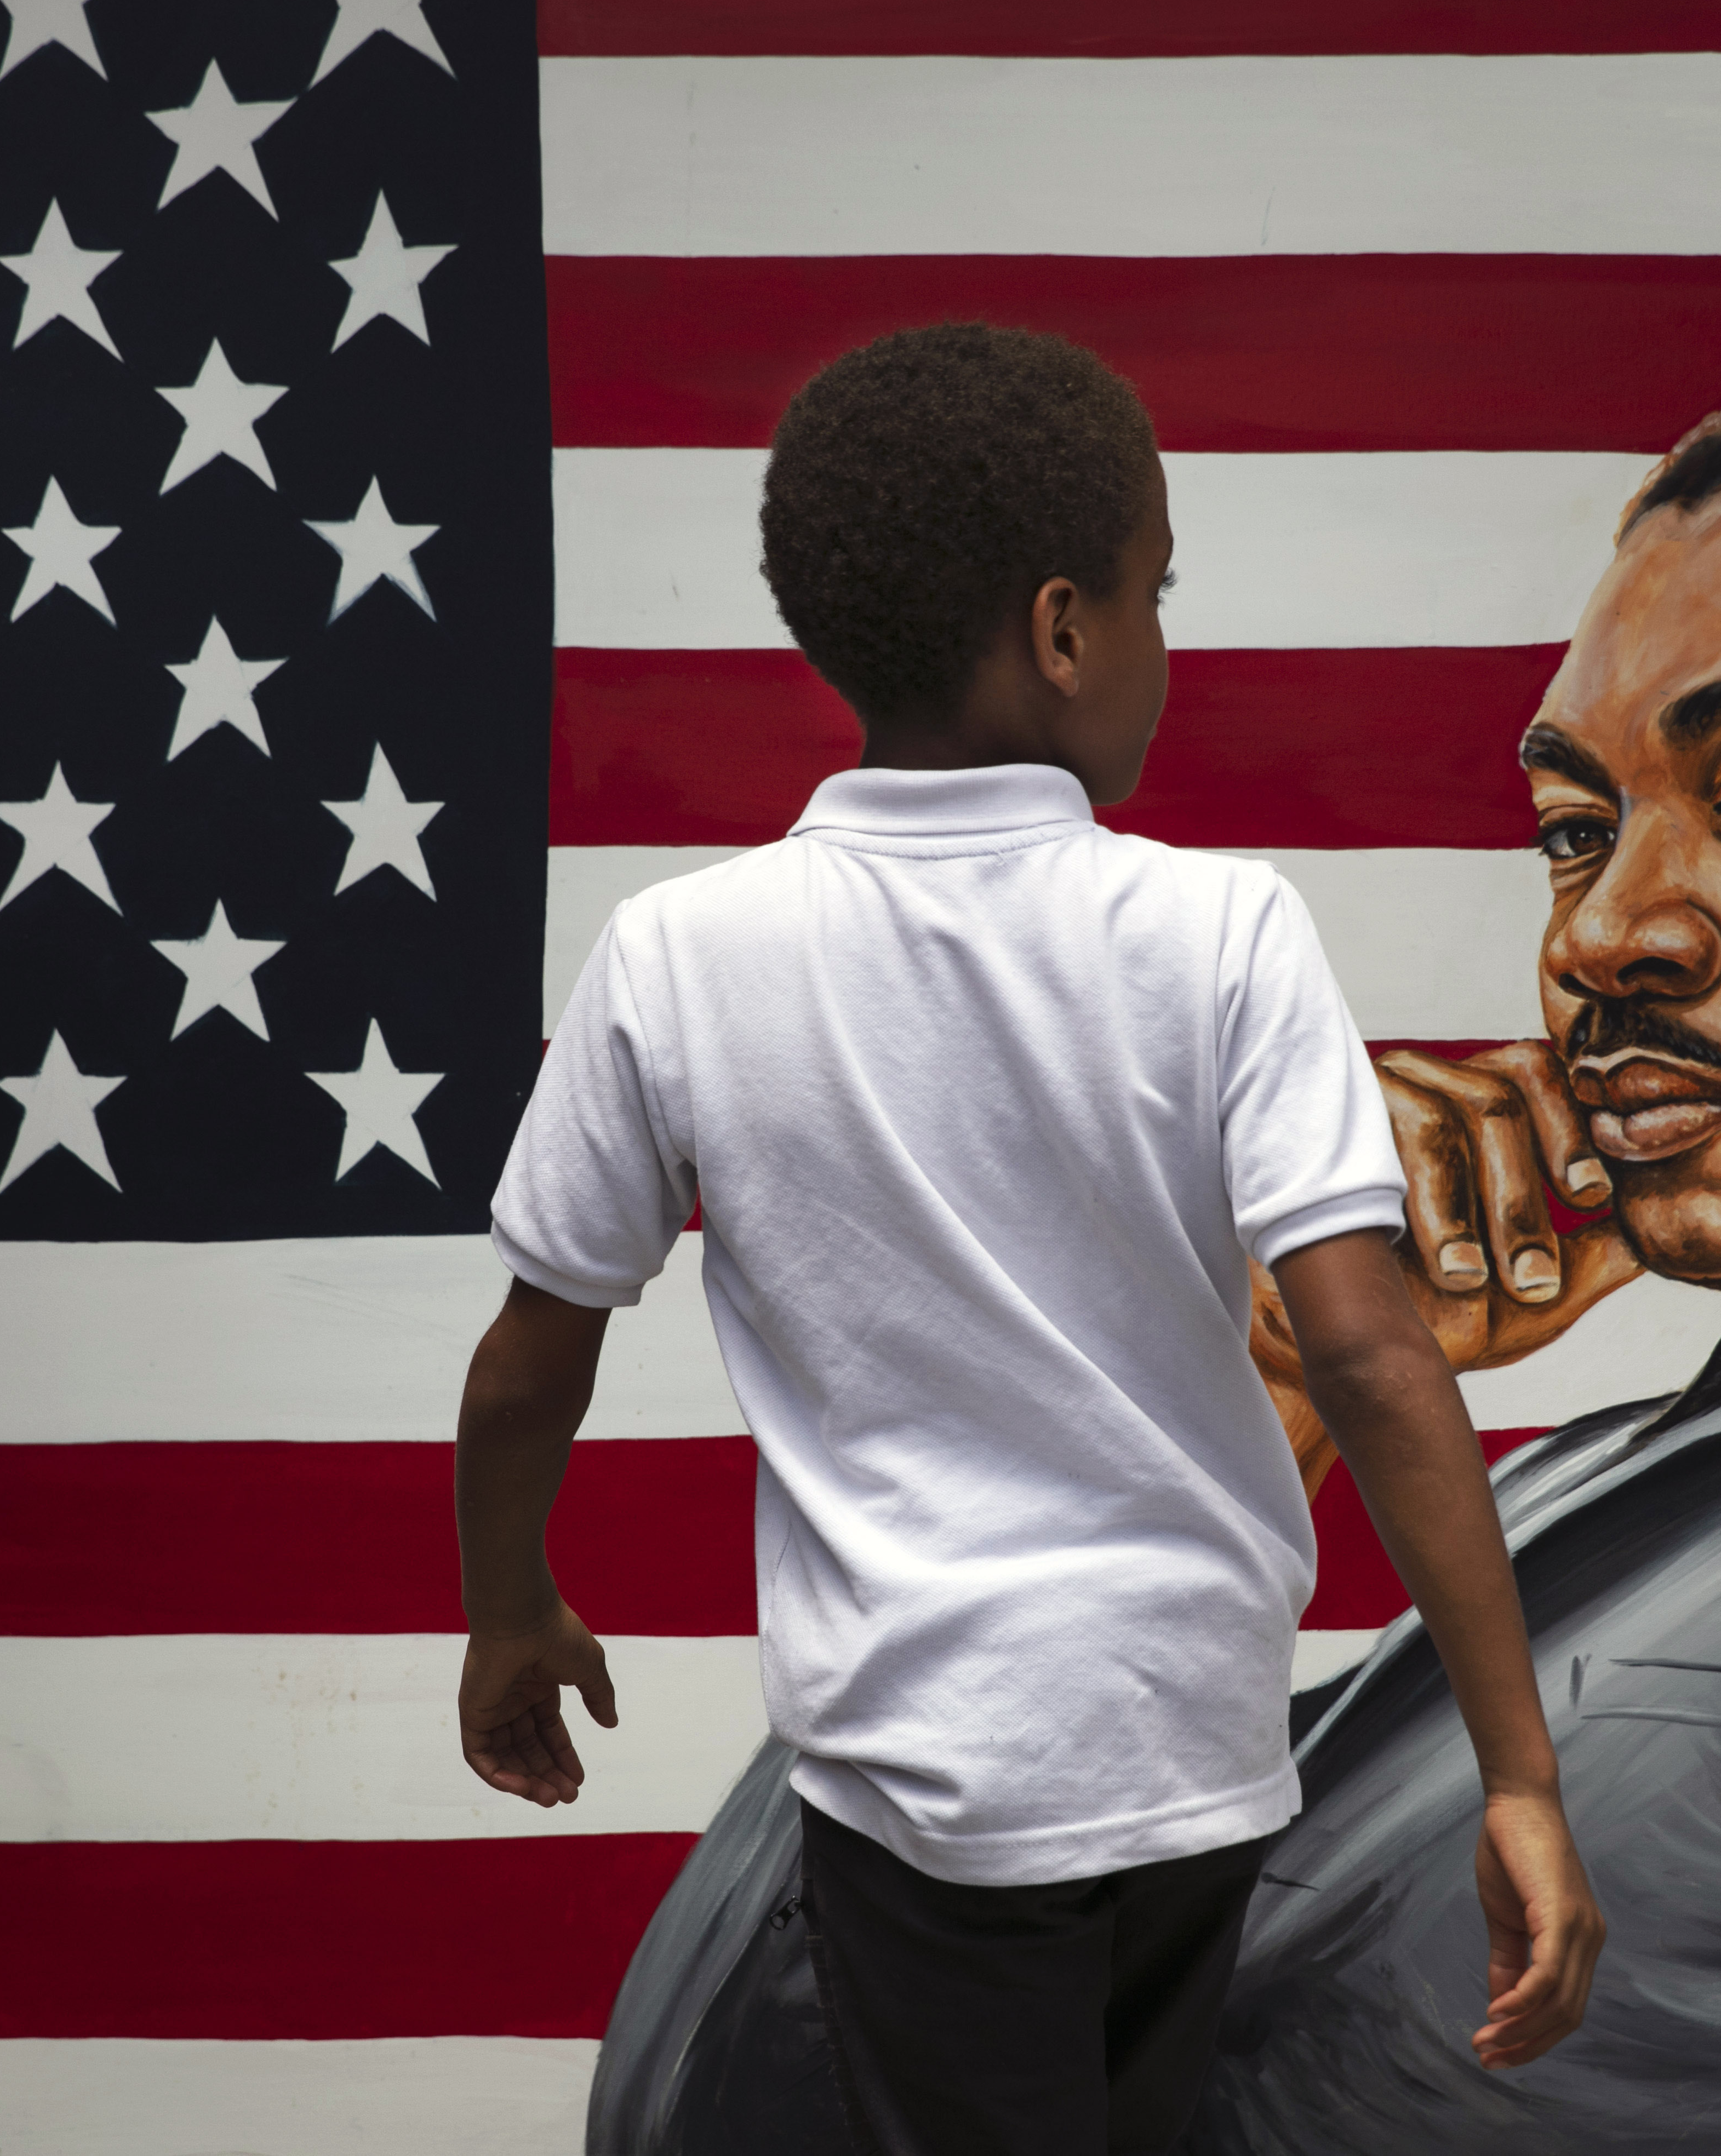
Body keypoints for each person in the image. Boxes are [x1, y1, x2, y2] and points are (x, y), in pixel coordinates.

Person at [595, 360, 1721, 2156]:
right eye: (1576, 832)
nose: (1602, 933)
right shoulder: (1691, 1448)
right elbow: (733, 2102)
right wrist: (1240, 1383)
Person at [453, 324, 1602, 2155]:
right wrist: (1519, 1773)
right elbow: (1375, 1359)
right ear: (1064, 631)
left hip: (927, 1769)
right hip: (1193, 1746)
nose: (1166, 642)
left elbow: (533, 1359)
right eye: (1157, 594)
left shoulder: (680, 954)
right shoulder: (1222, 929)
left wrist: (508, 1600)